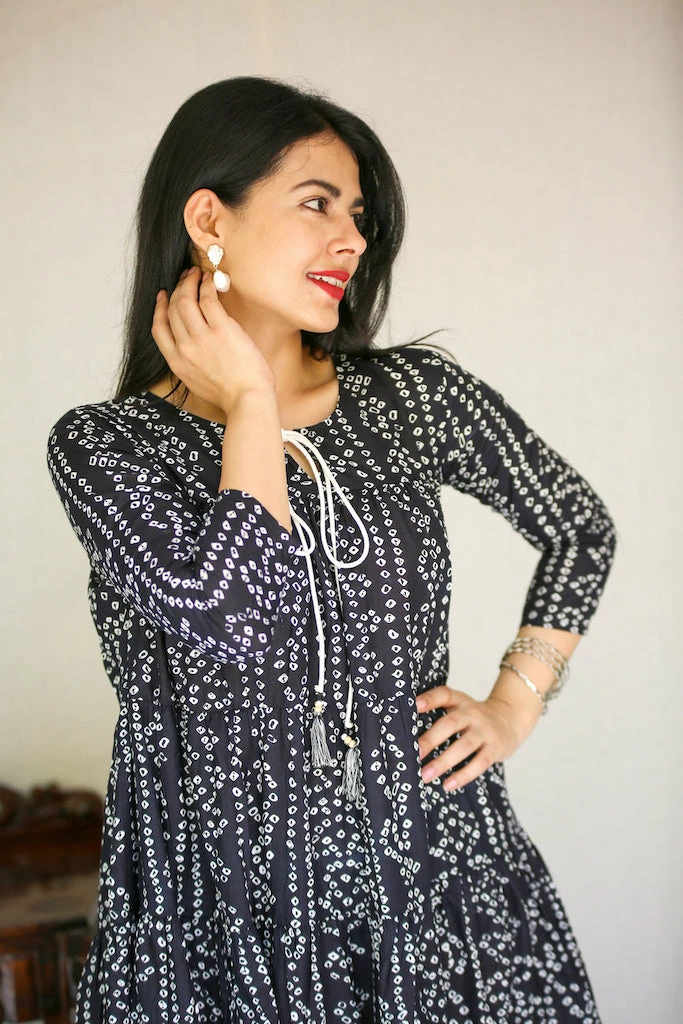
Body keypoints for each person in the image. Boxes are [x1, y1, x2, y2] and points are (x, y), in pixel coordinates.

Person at [47, 76, 616, 1024]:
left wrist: (514, 703)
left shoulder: (412, 397)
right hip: (223, 905)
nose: (351, 239)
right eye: (316, 203)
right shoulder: (106, 448)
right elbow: (235, 615)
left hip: (431, 876)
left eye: (358, 215)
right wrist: (251, 404)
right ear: (208, 218)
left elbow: (577, 526)